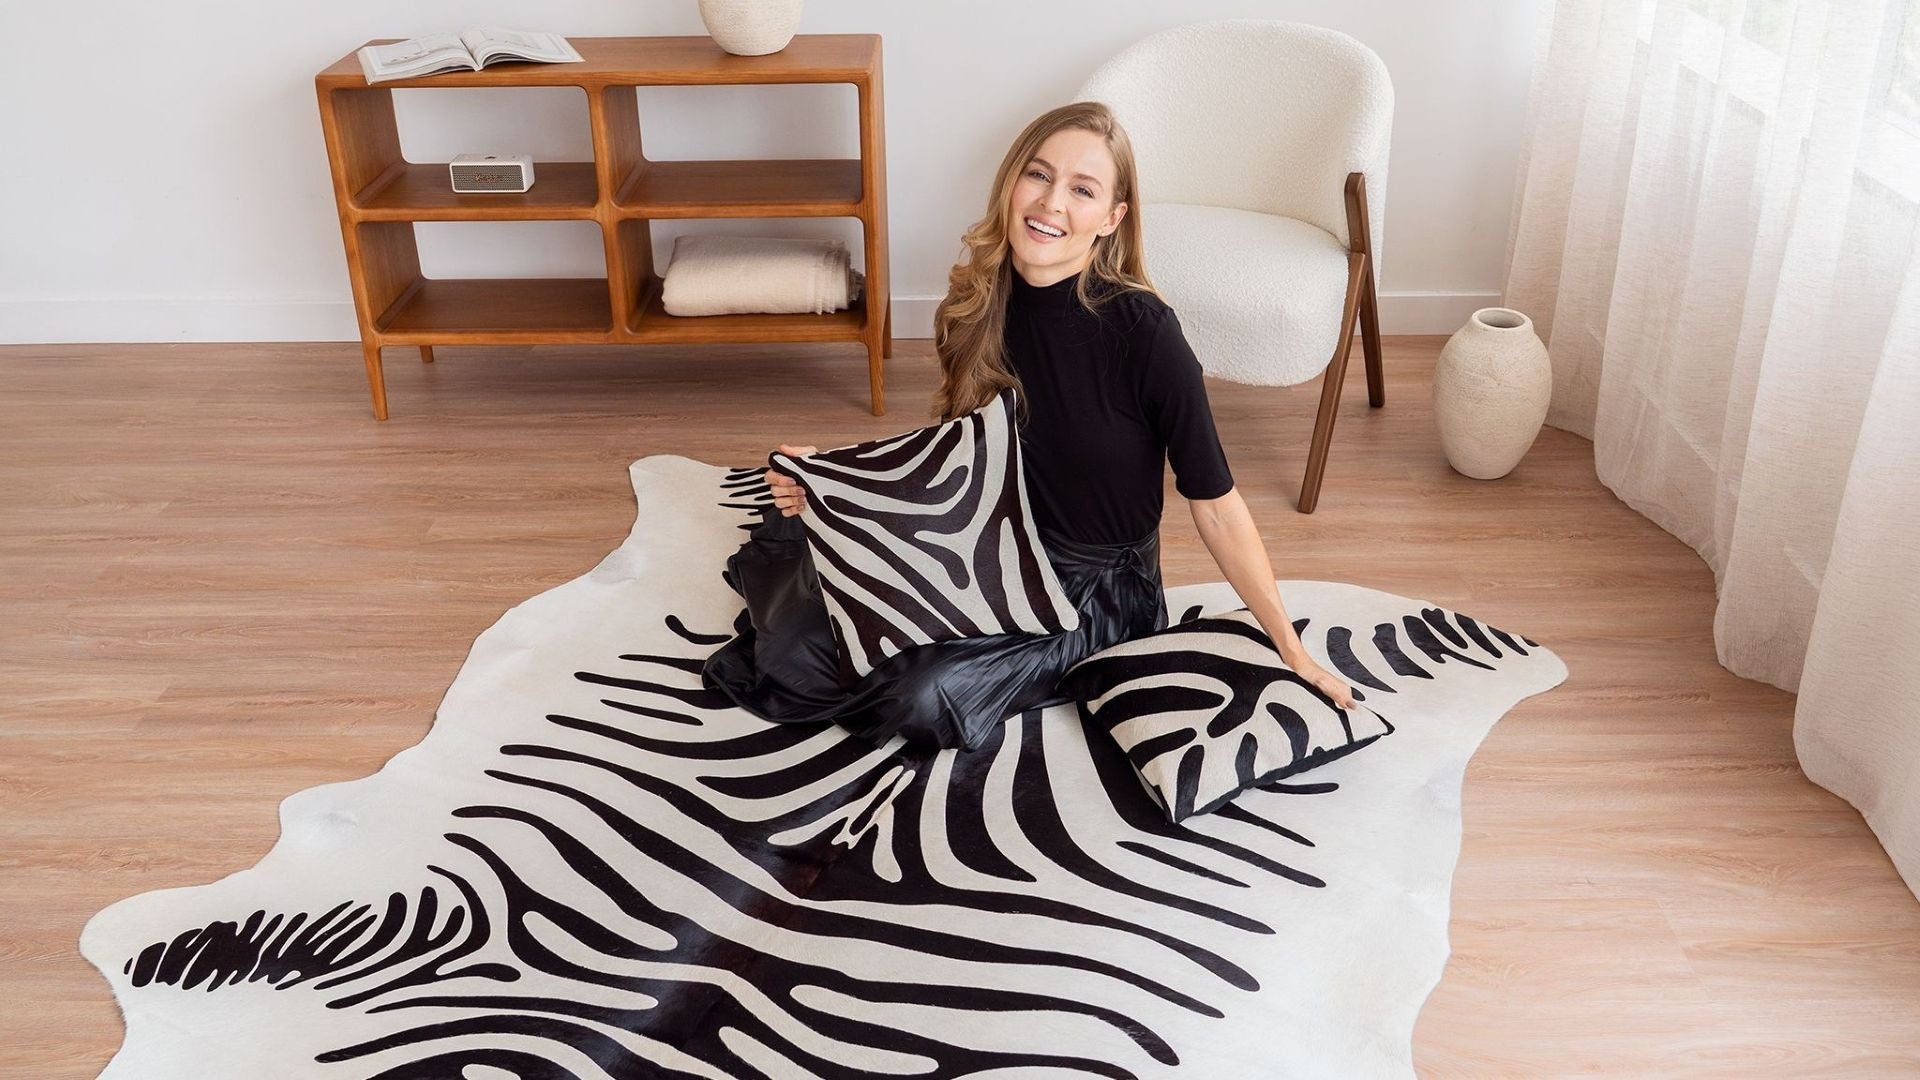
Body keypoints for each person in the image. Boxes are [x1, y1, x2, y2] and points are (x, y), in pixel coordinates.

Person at [702, 101, 1357, 750]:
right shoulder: (974, 305)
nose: (1051, 203)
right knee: (803, 642)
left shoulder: (1146, 334)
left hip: (1093, 593)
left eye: (1082, 189)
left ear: (1111, 219)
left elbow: (1215, 505)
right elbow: (960, 458)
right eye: (1039, 175)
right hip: (991, 543)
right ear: (1011, 181)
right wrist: (838, 477)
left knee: (918, 695)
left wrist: (1290, 649)